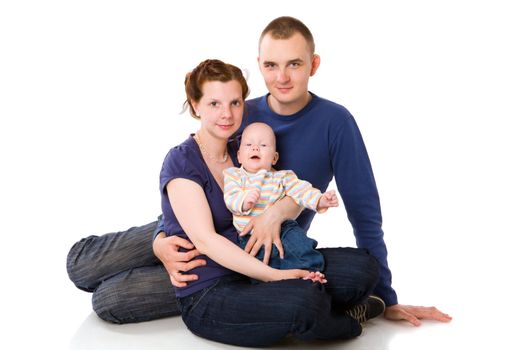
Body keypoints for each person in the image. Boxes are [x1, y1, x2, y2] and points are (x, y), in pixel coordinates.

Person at [67, 16, 451, 328]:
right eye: (271, 65)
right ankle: (136, 247)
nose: (282, 77)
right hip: (191, 225)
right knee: (86, 265)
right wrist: (161, 242)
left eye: (294, 64)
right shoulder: (240, 113)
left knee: (112, 299)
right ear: (260, 66)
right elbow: (191, 167)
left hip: (242, 252)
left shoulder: (336, 123)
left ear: (313, 65)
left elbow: (365, 212)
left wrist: (387, 296)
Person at [158, 58, 384, 346]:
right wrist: (275, 276)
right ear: (195, 104)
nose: (227, 114)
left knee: (362, 268)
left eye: (236, 103)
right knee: (304, 301)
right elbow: (206, 240)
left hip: (262, 259)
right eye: (214, 104)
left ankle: (297, 306)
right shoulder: (181, 160)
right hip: (211, 289)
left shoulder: (246, 146)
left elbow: (286, 187)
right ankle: (345, 321)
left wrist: (287, 213)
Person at [224, 121, 338, 272]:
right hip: (249, 235)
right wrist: (244, 201)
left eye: (263, 145)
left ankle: (311, 270)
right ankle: (275, 279)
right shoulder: (234, 175)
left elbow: (301, 190)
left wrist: (319, 200)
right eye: (248, 144)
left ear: (274, 158)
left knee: (299, 242)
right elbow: (230, 197)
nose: (255, 147)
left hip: (282, 229)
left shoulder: (282, 177)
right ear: (239, 156)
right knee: (257, 262)